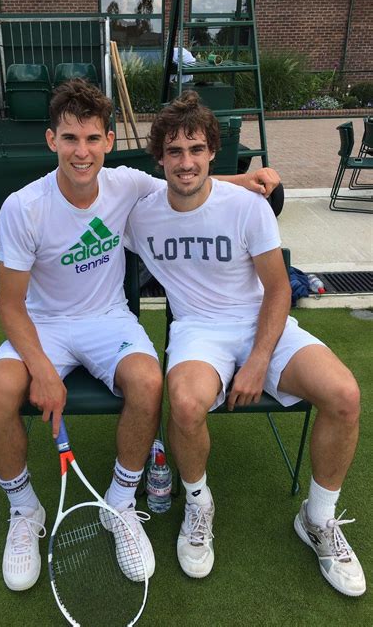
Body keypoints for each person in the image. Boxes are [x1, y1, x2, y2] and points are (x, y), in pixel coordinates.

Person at [0, 78, 281, 592]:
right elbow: (9, 305)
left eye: (93, 139)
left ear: (109, 141)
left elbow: (188, 183)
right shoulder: (22, 207)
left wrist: (246, 181)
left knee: (148, 382)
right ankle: (25, 511)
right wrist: (45, 371)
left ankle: (120, 503)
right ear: (52, 140)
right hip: (43, 325)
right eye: (70, 139)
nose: (82, 151)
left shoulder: (126, 184)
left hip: (107, 319)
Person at [125, 91, 366, 596]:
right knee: (186, 403)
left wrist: (259, 360)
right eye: (174, 151)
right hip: (198, 330)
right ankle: (198, 502)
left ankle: (318, 519)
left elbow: (279, 290)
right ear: (160, 159)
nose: (185, 162)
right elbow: (87, 206)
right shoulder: (140, 213)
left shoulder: (247, 208)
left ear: (213, 151)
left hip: (261, 324)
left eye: (195, 149)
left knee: (344, 395)